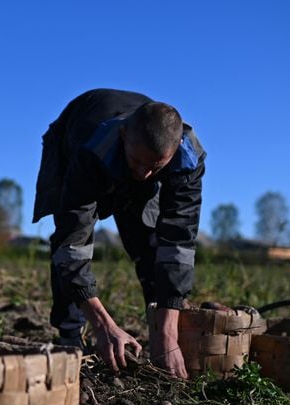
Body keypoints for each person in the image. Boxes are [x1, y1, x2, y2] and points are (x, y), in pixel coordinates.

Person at [32, 89, 206, 379]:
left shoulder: (186, 160)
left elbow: (179, 241)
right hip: (73, 138)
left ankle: (161, 335)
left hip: (132, 150)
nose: (144, 175)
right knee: (67, 243)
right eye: (138, 163)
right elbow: (71, 243)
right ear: (124, 135)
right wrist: (104, 326)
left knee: (150, 241)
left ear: (173, 153)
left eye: (155, 167)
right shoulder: (90, 152)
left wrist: (169, 329)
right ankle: (70, 335)